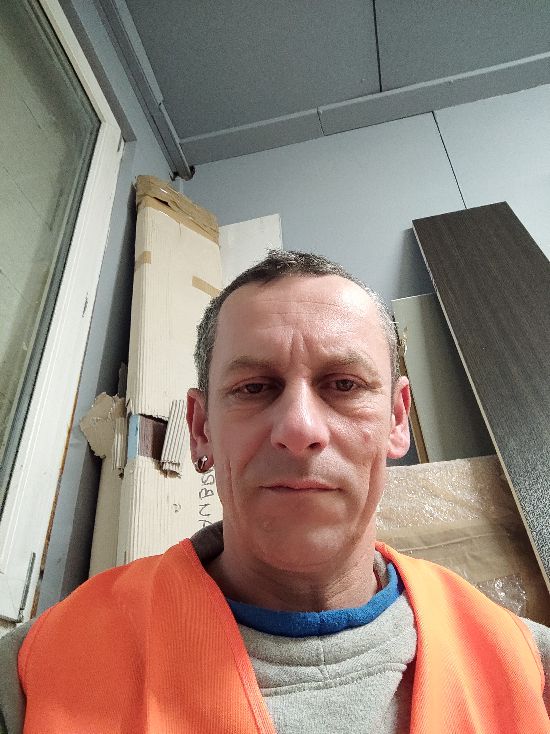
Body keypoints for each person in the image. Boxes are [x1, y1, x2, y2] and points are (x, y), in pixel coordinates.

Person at [0, 250, 549, 733]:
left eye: (344, 385)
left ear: (397, 419)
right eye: (254, 388)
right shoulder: (31, 674)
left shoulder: (530, 668)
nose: (299, 428)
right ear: (201, 429)